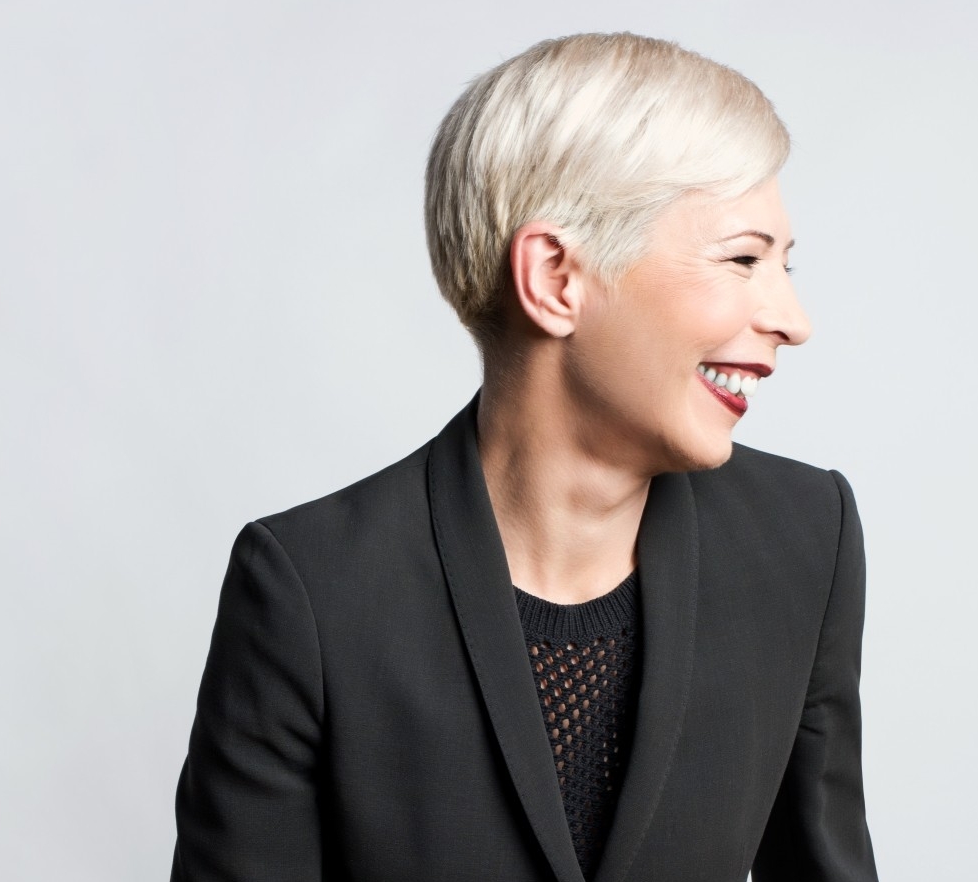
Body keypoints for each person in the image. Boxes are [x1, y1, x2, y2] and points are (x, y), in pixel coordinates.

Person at [171, 32, 878, 882]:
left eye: (785, 265)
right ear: (554, 279)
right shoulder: (310, 590)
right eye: (741, 260)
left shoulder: (806, 541)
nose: (792, 318)